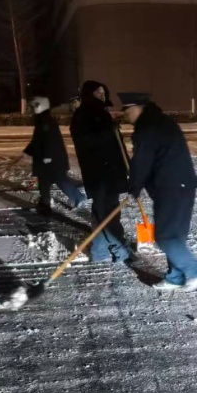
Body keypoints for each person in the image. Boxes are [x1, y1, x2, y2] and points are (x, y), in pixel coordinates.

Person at [118, 92, 197, 292]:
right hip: (183, 185)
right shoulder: (162, 121)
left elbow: (142, 160)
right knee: (176, 235)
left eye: (127, 109)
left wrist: (134, 187)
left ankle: (196, 271)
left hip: (170, 187)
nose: (125, 114)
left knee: (165, 237)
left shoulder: (147, 127)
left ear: (139, 108)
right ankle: (175, 277)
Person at [70, 80, 132, 264]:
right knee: (106, 213)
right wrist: (108, 130)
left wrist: (126, 165)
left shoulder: (101, 113)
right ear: (89, 94)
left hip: (109, 171)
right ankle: (116, 250)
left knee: (105, 212)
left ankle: (101, 251)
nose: (101, 95)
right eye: (97, 92)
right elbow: (87, 141)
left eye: (103, 92)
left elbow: (115, 145)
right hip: (100, 173)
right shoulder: (84, 114)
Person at [24, 96, 86, 212]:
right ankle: (45, 202)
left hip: (51, 159)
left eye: (32, 107)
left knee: (60, 180)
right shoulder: (42, 120)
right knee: (43, 180)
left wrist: (48, 157)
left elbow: (50, 141)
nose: (31, 110)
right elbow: (37, 140)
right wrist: (28, 150)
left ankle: (79, 198)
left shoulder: (46, 122)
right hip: (46, 158)